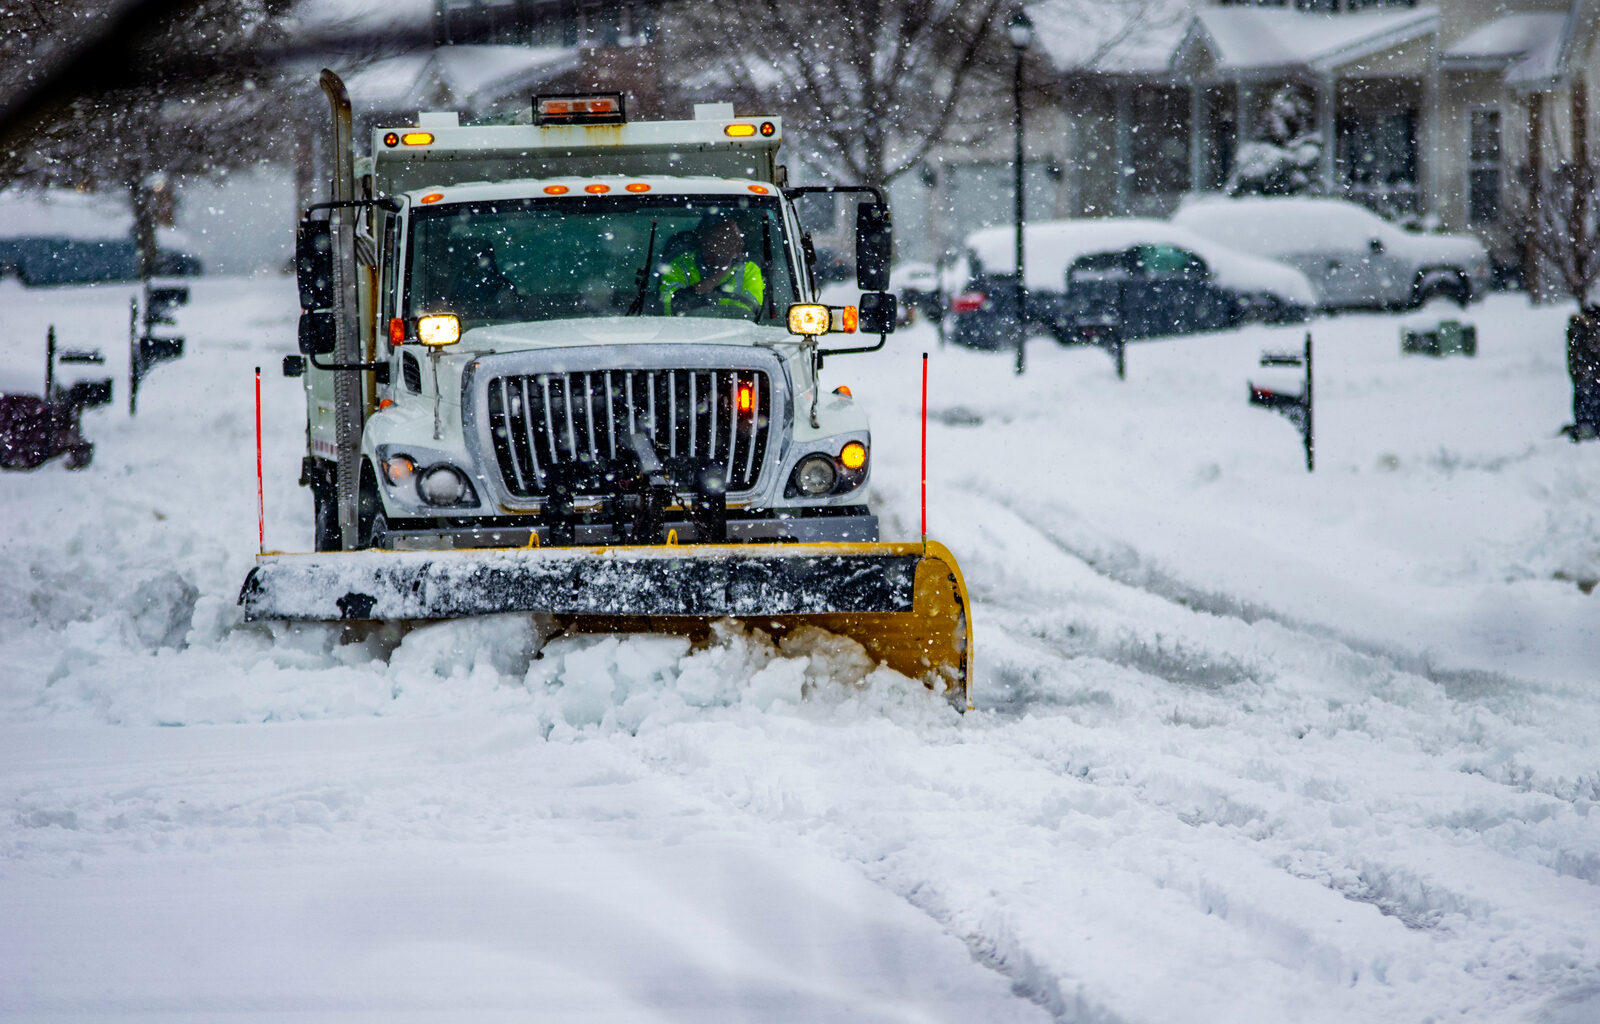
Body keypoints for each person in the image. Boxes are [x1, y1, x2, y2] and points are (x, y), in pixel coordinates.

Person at [659, 217, 765, 317]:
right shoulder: (679, 266)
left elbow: (748, 315)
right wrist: (717, 276)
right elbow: (671, 308)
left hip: (733, 329)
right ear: (705, 241)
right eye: (726, 240)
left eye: (736, 240)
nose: (738, 245)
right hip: (680, 329)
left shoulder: (749, 270)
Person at [1569, 304, 1600, 440]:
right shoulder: (1581, 330)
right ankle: (1586, 428)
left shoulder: (1581, 329)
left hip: (1587, 375)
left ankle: (1588, 427)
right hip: (1586, 376)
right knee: (1586, 401)